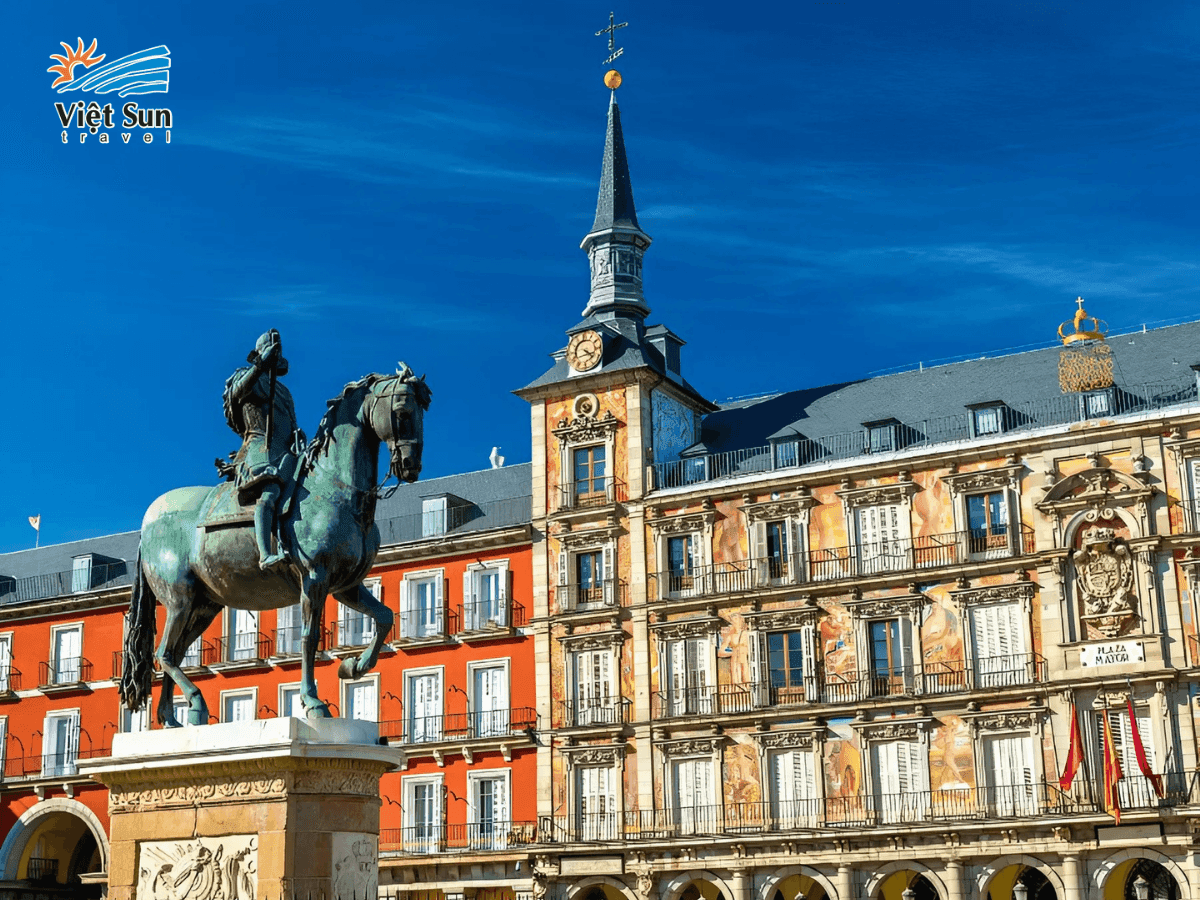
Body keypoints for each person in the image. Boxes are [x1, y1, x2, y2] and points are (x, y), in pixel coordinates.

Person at [215, 329, 300, 570]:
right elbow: (238, 392)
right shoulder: (244, 375)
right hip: (258, 447)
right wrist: (261, 365)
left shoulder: (284, 392)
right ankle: (265, 554)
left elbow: (290, 423)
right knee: (271, 490)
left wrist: (296, 435)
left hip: (285, 451)